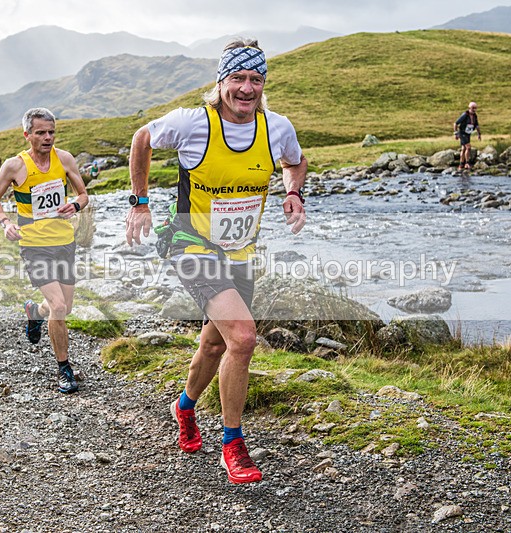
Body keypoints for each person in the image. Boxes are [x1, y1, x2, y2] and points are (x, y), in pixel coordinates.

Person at [125, 39, 307, 484]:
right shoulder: (193, 124)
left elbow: (296, 163)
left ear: (264, 84)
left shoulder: (277, 127)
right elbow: (142, 138)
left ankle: (184, 406)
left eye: (256, 80)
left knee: (216, 344)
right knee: (243, 337)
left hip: (240, 251)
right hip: (189, 241)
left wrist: (293, 192)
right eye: (238, 79)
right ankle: (233, 444)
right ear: (221, 82)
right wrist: (140, 201)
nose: (247, 89)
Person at [0, 107, 89, 394]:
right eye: (41, 132)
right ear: (27, 135)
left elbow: (83, 194)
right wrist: (5, 222)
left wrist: (76, 205)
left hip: (64, 241)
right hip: (33, 244)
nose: (48, 138)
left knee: (64, 307)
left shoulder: (64, 159)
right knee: (59, 307)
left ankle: (34, 312)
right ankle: (64, 369)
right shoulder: (14, 166)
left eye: (51, 132)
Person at [454, 102, 482, 170]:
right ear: (469, 108)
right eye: (473, 108)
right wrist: (456, 133)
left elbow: (477, 125)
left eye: (475, 108)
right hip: (462, 133)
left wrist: (479, 134)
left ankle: (461, 164)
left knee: (463, 149)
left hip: (468, 133)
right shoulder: (465, 115)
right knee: (468, 147)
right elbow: (456, 123)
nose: (474, 110)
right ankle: (467, 163)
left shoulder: (475, 116)